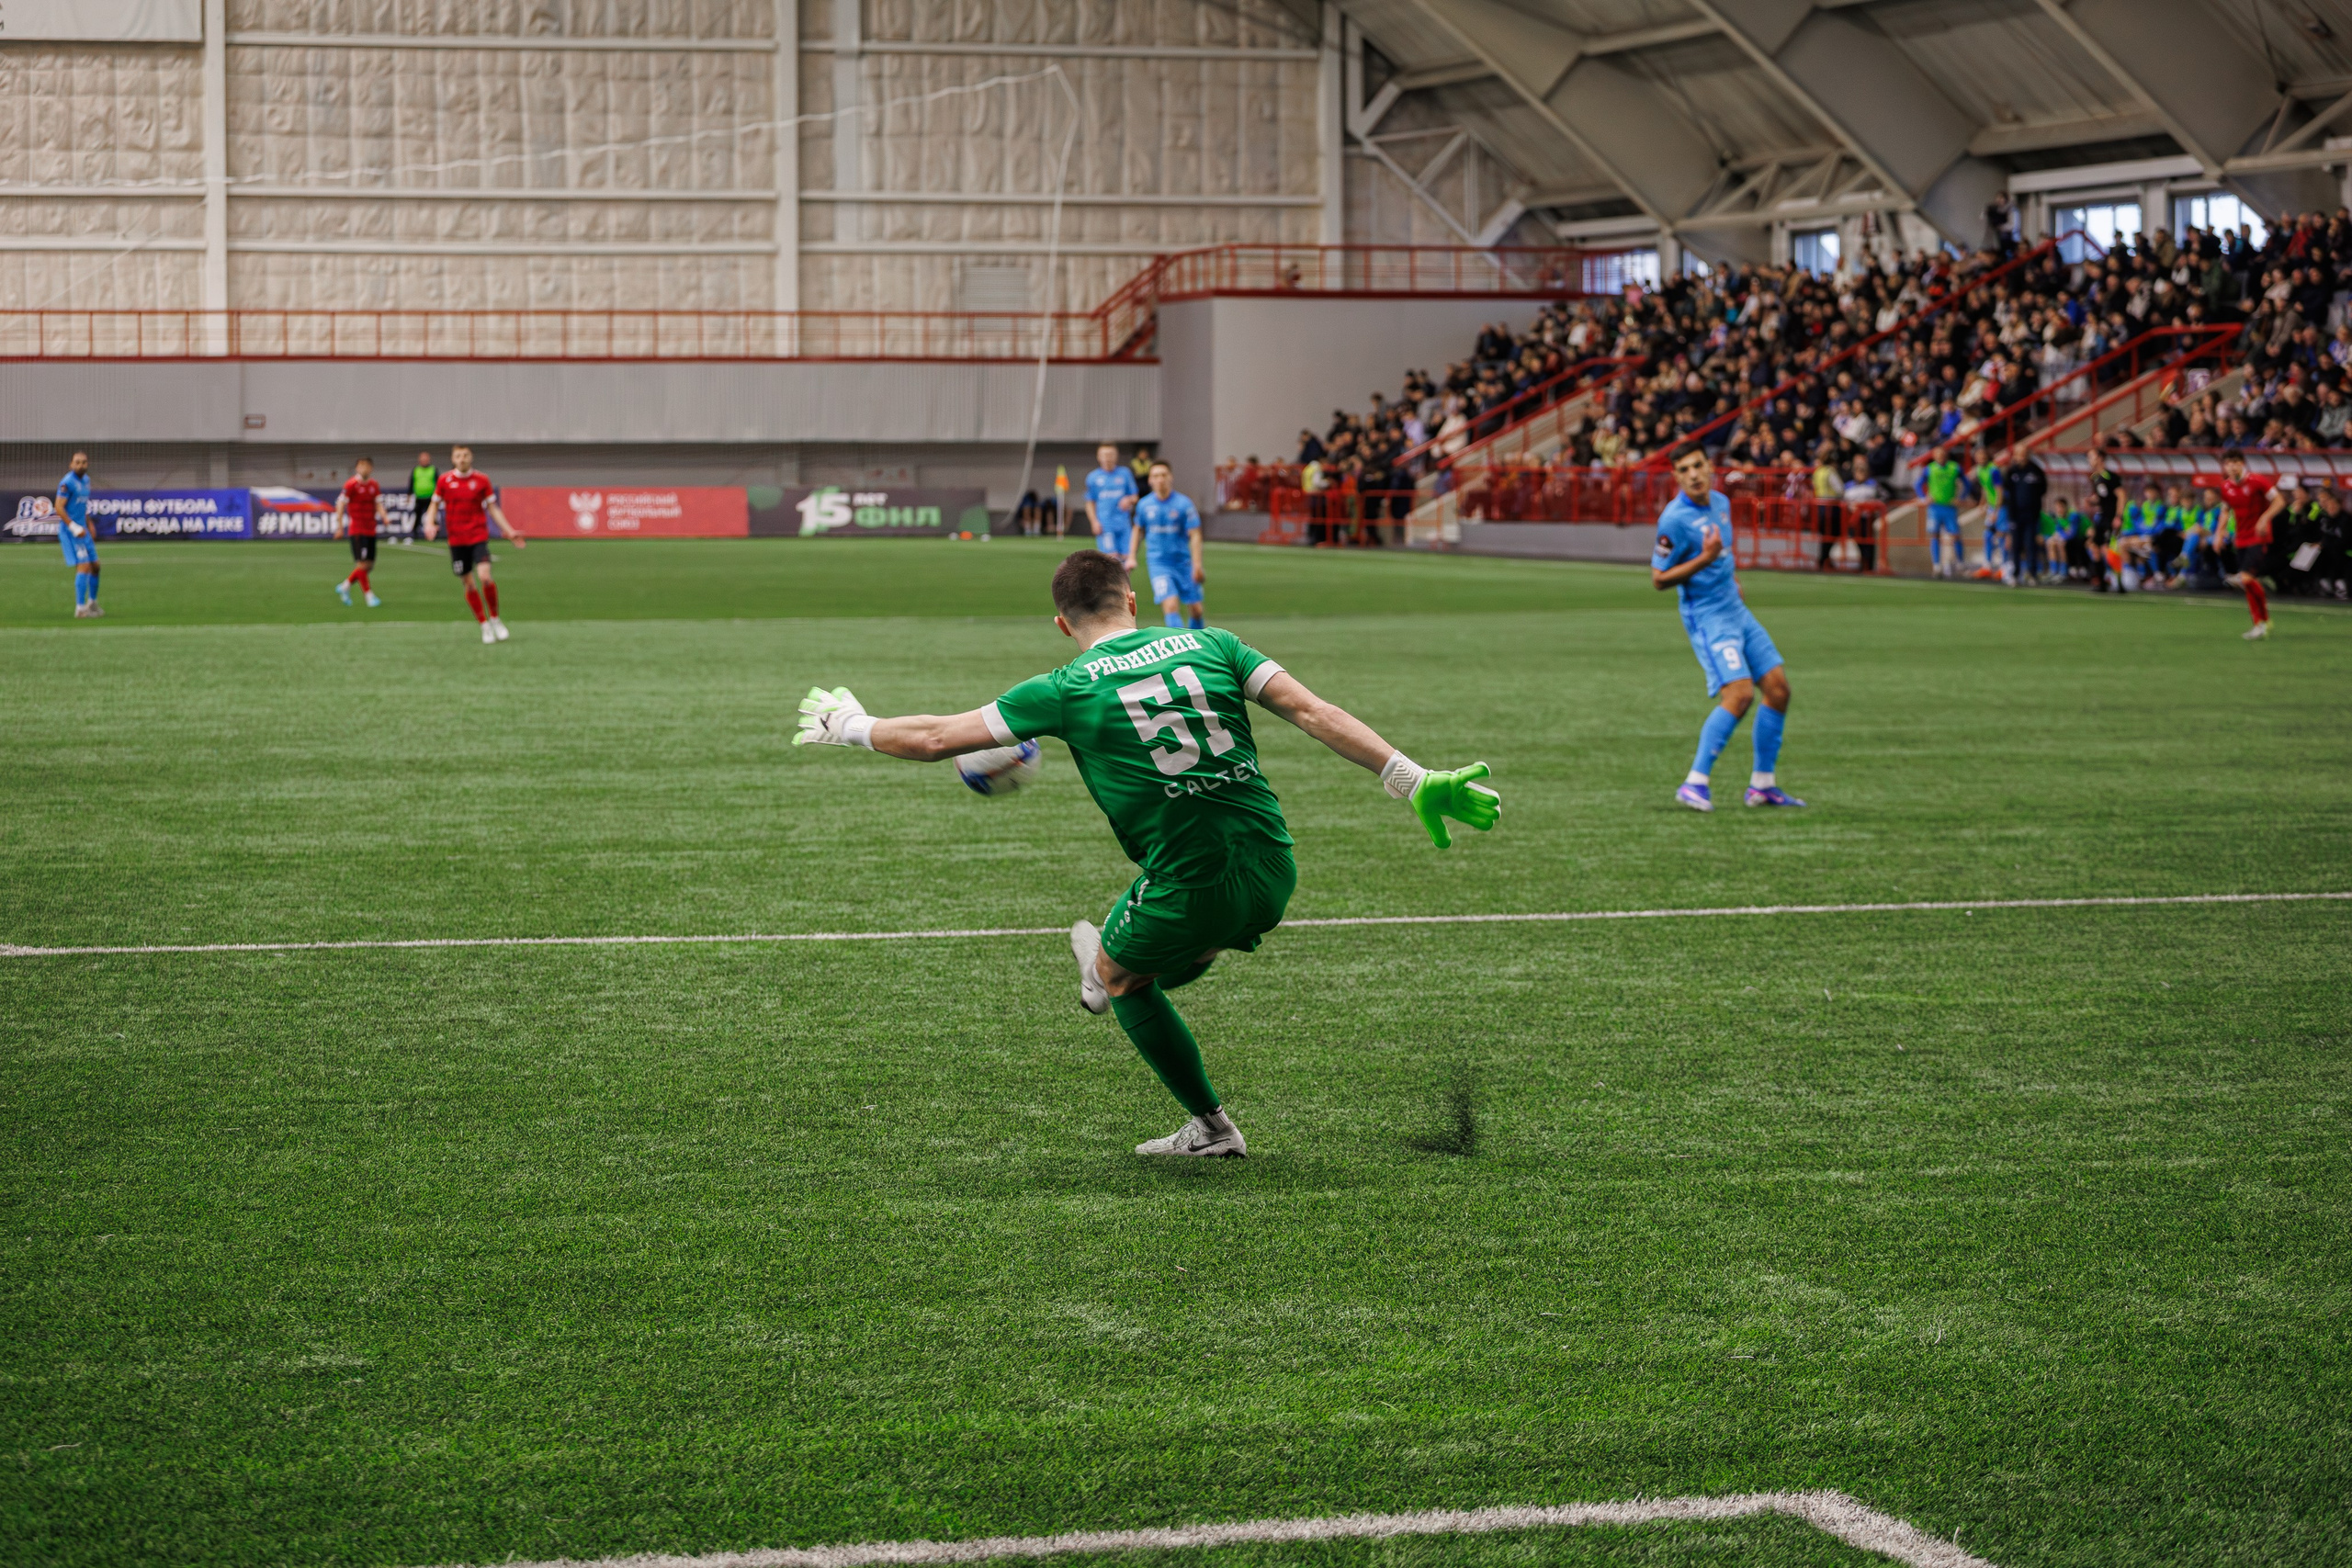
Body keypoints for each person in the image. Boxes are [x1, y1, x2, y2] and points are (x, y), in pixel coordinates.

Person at [790, 549, 1500, 1157]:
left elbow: (937, 739)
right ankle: (1132, 957)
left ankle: (1212, 1126)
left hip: (1191, 888)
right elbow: (1315, 711)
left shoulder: (1065, 688)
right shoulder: (1216, 643)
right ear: (1135, 599)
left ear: (1063, 624)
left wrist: (850, 723)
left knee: (1121, 980)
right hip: (1276, 869)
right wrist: (1411, 778)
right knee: (1169, 950)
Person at [1655, 443, 1804, 811]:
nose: (1693, 474)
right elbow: (1659, 578)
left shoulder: (1721, 503)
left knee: (1779, 689)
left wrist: (1729, 577)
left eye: (1698, 466)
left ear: (1709, 467)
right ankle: (1694, 783)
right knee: (1739, 695)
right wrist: (1704, 559)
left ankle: (1762, 786)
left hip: (1735, 609)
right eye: (1685, 469)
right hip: (1707, 617)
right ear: (1676, 476)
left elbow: (1724, 554)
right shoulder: (1673, 520)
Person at [419, 444, 525, 643]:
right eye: (458, 456)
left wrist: (509, 531)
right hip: (457, 540)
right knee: (468, 584)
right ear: (453, 459)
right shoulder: (444, 480)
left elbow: (493, 508)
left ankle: (495, 619)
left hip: (477, 536)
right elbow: (434, 504)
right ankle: (484, 625)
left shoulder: (482, 480)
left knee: (485, 576)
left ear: (471, 457)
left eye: (465, 455)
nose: (462, 459)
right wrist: (429, 523)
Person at [2215, 450, 2285, 639]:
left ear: (2242, 463)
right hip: (2241, 539)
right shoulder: (2226, 487)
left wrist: (2264, 518)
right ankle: (2262, 623)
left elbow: (2279, 501)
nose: (2232, 466)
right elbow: (2224, 511)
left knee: (2245, 578)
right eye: (2228, 463)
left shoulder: (2257, 481)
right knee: (2248, 582)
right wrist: (2219, 533)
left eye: (2236, 462)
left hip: (2258, 537)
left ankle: (2261, 622)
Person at [1135, 459, 1206, 629]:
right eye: (1156, 476)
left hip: (1183, 563)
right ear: (1150, 480)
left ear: (1170, 477)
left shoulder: (1184, 504)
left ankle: (1198, 645)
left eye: (1163, 475)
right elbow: (1137, 530)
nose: (1160, 479)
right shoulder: (1144, 505)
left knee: (1196, 610)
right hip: (1158, 563)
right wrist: (1131, 556)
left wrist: (1197, 565)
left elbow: (1195, 534)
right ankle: (1182, 649)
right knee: (1171, 605)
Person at [333, 456, 384, 607]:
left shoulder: (374, 485)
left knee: (369, 565)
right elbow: (340, 504)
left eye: (367, 466)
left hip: (371, 530)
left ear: (371, 468)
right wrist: (340, 526)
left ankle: (345, 586)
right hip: (357, 530)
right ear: (357, 468)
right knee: (362, 564)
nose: (364, 468)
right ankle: (369, 596)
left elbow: (379, 504)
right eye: (361, 466)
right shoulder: (351, 485)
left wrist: (385, 517)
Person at [55, 450, 101, 618]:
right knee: (84, 566)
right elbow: (58, 507)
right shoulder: (67, 482)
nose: (81, 465)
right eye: (78, 462)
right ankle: (80, 609)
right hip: (71, 531)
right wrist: (74, 527)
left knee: (96, 566)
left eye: (84, 462)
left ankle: (92, 603)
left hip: (83, 530)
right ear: (71, 464)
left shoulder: (87, 481)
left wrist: (89, 524)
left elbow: (81, 506)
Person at [1083, 442, 1138, 568]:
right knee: (1112, 560)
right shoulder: (1093, 477)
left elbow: (1135, 496)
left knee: (1127, 560)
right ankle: (1113, 587)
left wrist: (1129, 499)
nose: (1108, 458)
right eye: (1105, 455)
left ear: (1116, 456)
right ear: (1099, 457)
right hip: (1105, 525)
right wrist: (1094, 522)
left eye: (1111, 454)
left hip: (1124, 524)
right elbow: (1090, 502)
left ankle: (1123, 587)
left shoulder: (1125, 474)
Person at [2002, 449, 2050, 587]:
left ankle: (2032, 574)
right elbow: (2007, 492)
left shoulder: (2036, 471)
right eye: (2018, 455)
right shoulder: (2012, 472)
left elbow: (2043, 489)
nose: (2021, 458)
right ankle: (2015, 574)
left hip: (2032, 514)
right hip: (2016, 515)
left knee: (2031, 544)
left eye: (2023, 455)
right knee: (2016, 545)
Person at [1917, 446, 1964, 579]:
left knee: (1955, 535)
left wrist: (1960, 498)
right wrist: (1923, 497)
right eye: (1937, 455)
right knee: (1934, 535)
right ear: (1934, 456)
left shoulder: (1954, 468)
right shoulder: (1930, 469)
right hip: (1935, 507)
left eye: (1942, 454)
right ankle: (1937, 565)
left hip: (1949, 507)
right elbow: (1918, 484)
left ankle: (1960, 564)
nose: (1940, 457)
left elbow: (1966, 483)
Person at [406, 450, 438, 547]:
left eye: (426, 458)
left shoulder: (433, 469)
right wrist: (409, 494)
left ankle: (434, 535)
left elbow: (438, 483)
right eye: (422, 458)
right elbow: (411, 482)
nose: (424, 460)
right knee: (417, 516)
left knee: (432, 517)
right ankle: (414, 534)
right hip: (419, 497)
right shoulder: (416, 470)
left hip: (431, 498)